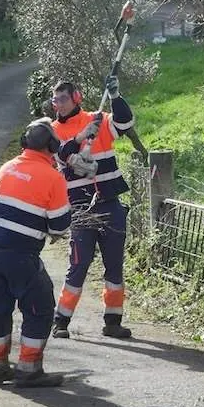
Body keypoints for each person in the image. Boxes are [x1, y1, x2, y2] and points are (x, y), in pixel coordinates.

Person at [49, 70, 148, 340]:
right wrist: (81, 137)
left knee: (114, 265)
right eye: (54, 100)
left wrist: (115, 96)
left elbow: (126, 124)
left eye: (62, 100)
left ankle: (113, 322)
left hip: (109, 203)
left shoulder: (100, 120)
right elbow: (60, 154)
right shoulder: (52, 131)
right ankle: (61, 322)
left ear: (76, 99)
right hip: (80, 209)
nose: (56, 105)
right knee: (78, 267)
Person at [0, 118, 72, 388]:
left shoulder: (7, 167)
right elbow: (60, 225)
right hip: (20, 251)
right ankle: (28, 369)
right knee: (40, 308)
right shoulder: (53, 177)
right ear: (52, 146)